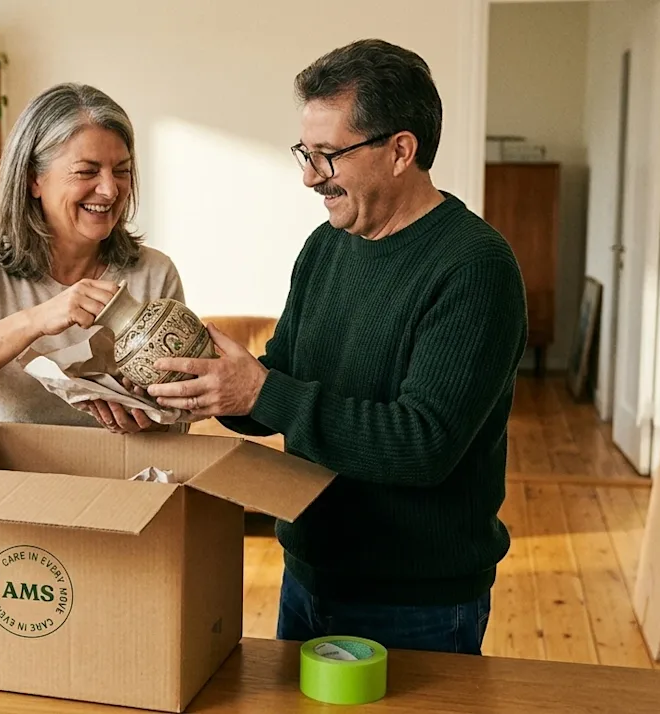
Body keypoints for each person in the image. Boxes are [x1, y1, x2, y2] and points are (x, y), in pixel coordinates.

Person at [146, 39, 528, 655]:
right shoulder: (325, 248)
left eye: (328, 155)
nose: (308, 175)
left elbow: (423, 445)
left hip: (416, 603)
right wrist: (210, 388)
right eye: (305, 152)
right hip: (307, 572)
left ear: (401, 150)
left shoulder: (474, 267)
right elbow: (283, 386)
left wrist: (263, 389)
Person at [0, 83, 183, 433]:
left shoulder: (154, 274)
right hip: (7, 483)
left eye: (121, 170)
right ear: (34, 179)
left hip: (121, 481)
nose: (110, 190)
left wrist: (154, 412)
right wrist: (35, 321)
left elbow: (178, 425)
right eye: (87, 171)